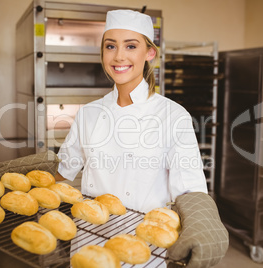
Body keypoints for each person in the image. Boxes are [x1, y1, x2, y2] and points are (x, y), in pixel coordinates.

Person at [55, 10, 228, 267]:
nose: (119, 56)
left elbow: (190, 190)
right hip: (89, 245)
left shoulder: (173, 115)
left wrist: (205, 225)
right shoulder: (89, 114)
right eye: (110, 46)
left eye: (131, 46)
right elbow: (62, 172)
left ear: (149, 54)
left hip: (143, 250)